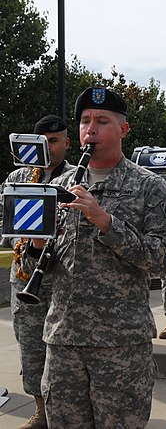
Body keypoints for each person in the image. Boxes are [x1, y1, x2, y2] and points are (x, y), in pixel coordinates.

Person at [23, 87, 166, 428]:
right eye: (84, 121)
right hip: (63, 342)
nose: (90, 129)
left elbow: (165, 259)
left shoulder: (149, 187)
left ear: (123, 130)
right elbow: (32, 272)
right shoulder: (57, 187)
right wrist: (35, 248)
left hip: (120, 346)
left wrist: (107, 223)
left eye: (102, 121)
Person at [0, 114, 73, 429]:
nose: (49, 148)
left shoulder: (77, 178)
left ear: (67, 143)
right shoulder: (16, 178)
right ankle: (42, 412)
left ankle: (67, 413)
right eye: (43, 142)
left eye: (55, 141)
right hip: (24, 279)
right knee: (31, 352)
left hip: (61, 282)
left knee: (65, 356)